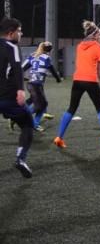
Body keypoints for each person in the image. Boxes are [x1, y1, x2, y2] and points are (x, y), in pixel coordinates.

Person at [0, 19, 35, 177]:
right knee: (28, 124)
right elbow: (17, 68)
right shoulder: (12, 47)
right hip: (8, 97)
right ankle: (20, 159)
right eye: (19, 31)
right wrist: (20, 90)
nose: (21, 34)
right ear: (11, 33)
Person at [23, 41, 61, 131]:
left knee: (43, 104)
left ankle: (35, 124)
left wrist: (22, 76)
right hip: (35, 85)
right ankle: (19, 116)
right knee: (39, 106)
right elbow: (52, 70)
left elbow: (22, 68)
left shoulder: (33, 56)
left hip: (32, 84)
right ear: (50, 50)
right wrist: (58, 79)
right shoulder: (46, 58)